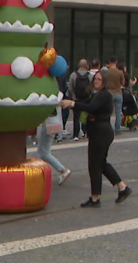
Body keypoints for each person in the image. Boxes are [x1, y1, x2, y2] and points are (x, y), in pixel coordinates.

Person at [61, 70, 132, 208]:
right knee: (100, 164)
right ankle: (122, 188)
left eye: (99, 79)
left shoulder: (104, 95)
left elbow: (90, 107)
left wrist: (73, 104)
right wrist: (71, 103)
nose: (96, 81)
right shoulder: (97, 94)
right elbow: (84, 103)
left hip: (101, 132)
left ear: (105, 81)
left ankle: (96, 198)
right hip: (98, 132)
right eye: (95, 79)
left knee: (95, 165)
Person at [34, 108, 72, 185]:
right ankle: (44, 173)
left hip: (49, 124)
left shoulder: (50, 100)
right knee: (43, 151)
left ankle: (63, 170)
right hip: (55, 123)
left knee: (44, 153)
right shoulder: (57, 99)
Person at [67, 59, 91, 141]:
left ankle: (76, 134)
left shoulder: (73, 75)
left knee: (76, 117)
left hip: (76, 99)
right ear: (86, 66)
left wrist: (72, 96)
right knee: (85, 115)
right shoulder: (89, 75)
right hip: (86, 99)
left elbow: (70, 88)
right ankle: (85, 132)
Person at [100, 57, 124, 132]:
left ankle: (108, 128)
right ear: (116, 62)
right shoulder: (120, 72)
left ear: (109, 62)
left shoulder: (106, 72)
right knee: (118, 112)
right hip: (118, 92)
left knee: (108, 112)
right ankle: (117, 129)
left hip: (109, 93)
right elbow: (122, 83)